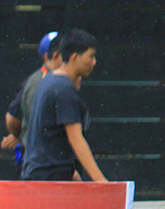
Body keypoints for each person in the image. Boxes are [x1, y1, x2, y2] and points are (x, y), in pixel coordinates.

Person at [21, 29, 108, 182]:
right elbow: (75, 138)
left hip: (38, 174)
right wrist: (101, 180)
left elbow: (47, 135)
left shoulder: (49, 80)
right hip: (50, 180)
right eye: (91, 56)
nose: (94, 62)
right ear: (74, 57)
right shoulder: (64, 89)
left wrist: (72, 173)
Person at [1, 31, 63, 168]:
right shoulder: (43, 82)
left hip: (42, 160)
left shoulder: (38, 81)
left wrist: (20, 134)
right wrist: (22, 134)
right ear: (50, 56)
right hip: (45, 161)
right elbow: (12, 118)